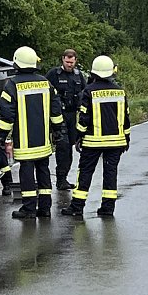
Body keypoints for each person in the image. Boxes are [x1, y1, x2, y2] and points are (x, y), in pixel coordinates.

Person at [0, 46, 66, 219]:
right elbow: (56, 110)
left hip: (25, 142)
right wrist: (58, 130)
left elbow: (7, 116)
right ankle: (45, 208)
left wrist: (1, 136)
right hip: (43, 140)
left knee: (26, 173)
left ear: (17, 63)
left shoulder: (12, 85)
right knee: (43, 171)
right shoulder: (45, 83)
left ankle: (29, 208)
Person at [61, 55, 130, 218]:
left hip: (93, 142)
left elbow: (84, 118)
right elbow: (126, 117)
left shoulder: (89, 91)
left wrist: (79, 136)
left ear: (94, 72)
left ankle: (77, 207)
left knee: (85, 173)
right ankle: (108, 208)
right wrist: (126, 138)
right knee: (110, 174)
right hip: (116, 141)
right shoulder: (120, 91)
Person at [46, 49, 87, 190]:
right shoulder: (54, 74)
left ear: (75, 61)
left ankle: (64, 178)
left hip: (72, 115)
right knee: (62, 147)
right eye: (67, 61)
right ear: (62, 59)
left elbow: (85, 92)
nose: (69, 64)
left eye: (72, 62)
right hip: (59, 116)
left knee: (69, 147)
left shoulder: (78, 75)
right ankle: (60, 179)